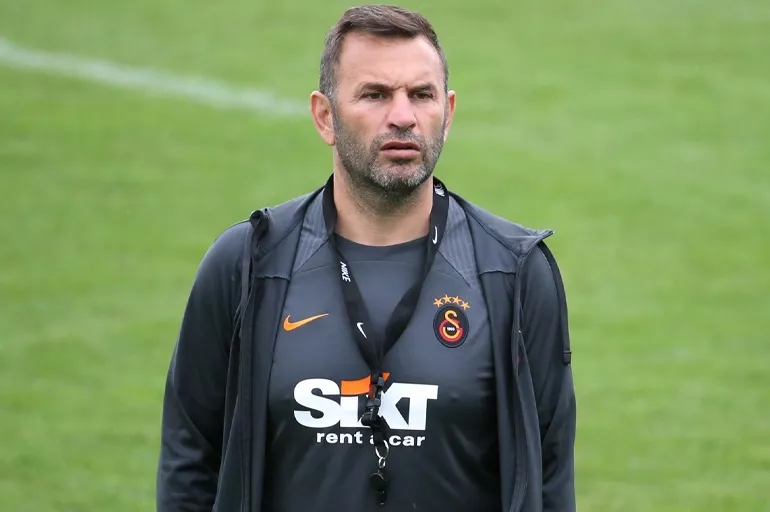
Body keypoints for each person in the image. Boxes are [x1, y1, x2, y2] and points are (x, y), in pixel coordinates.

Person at [155, 4, 576, 512]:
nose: (403, 116)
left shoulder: (513, 272)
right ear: (325, 116)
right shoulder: (247, 264)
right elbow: (190, 463)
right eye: (375, 94)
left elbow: (549, 479)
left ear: (448, 112)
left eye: (421, 94)